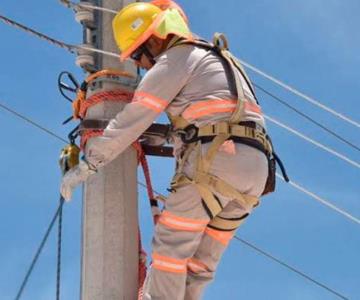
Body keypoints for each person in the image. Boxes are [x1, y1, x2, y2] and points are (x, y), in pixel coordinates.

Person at [61, 1, 272, 299]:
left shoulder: (176, 59)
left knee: (171, 248)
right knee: (199, 264)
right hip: (255, 172)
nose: (140, 64)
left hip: (216, 160)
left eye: (137, 53)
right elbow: (200, 126)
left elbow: (134, 117)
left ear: (155, 38)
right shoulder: (216, 59)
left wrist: (89, 164)